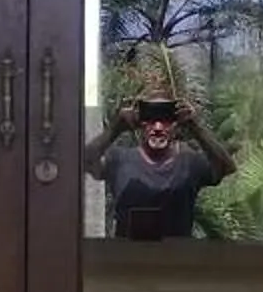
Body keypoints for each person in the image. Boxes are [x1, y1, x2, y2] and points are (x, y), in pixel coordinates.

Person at [82, 91, 237, 239]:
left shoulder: (190, 162)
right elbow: (84, 162)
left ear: (175, 125)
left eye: (165, 120)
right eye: (150, 119)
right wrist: (116, 128)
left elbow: (226, 167)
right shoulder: (119, 159)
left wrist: (196, 128)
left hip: (175, 261)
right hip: (128, 260)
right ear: (141, 123)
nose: (157, 127)